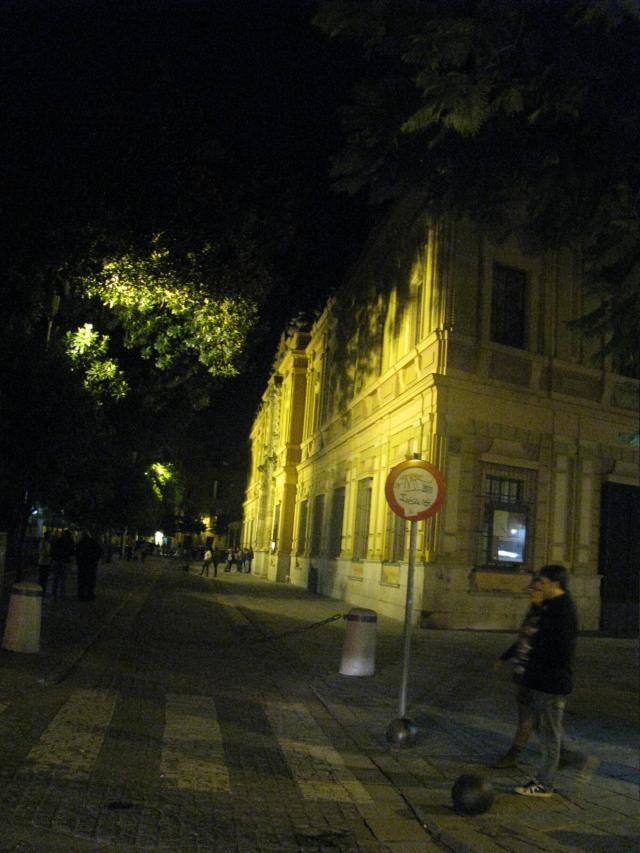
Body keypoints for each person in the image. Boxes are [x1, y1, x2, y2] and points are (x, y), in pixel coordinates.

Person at [513, 564, 598, 798]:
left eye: (542, 582)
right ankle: (577, 759)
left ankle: (545, 783)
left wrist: (536, 635)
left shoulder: (563, 611)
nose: (538, 586)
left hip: (552, 682)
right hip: (543, 680)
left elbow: (559, 649)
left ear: (554, 583)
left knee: (550, 734)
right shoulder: (551, 606)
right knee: (543, 727)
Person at [492, 578, 544, 767]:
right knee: (532, 717)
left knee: (529, 716)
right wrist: (504, 658)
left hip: (534, 672)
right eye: (531, 590)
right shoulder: (533, 610)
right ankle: (565, 754)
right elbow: (522, 640)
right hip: (522, 670)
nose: (532, 594)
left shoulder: (548, 615)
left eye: (535, 590)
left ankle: (513, 755)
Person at [76, 531, 102, 601]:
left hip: (82, 565)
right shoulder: (94, 543)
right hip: (91, 565)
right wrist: (95, 560)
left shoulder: (81, 543)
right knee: (91, 580)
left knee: (82, 581)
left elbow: (77, 553)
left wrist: (79, 561)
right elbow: (99, 552)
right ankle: (90, 594)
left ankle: (81, 595)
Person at [50, 529, 75, 601]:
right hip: (64, 561)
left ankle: (54, 594)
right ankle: (62, 595)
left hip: (57, 560)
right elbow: (72, 552)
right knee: (63, 579)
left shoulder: (58, 541)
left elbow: (53, 550)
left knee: (55, 579)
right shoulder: (70, 542)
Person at [37, 531, 53, 597]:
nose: (51, 537)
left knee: (42, 577)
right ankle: (42, 591)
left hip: (42, 562)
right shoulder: (46, 544)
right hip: (45, 562)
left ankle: (41, 590)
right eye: (50, 536)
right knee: (44, 578)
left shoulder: (42, 543)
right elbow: (47, 553)